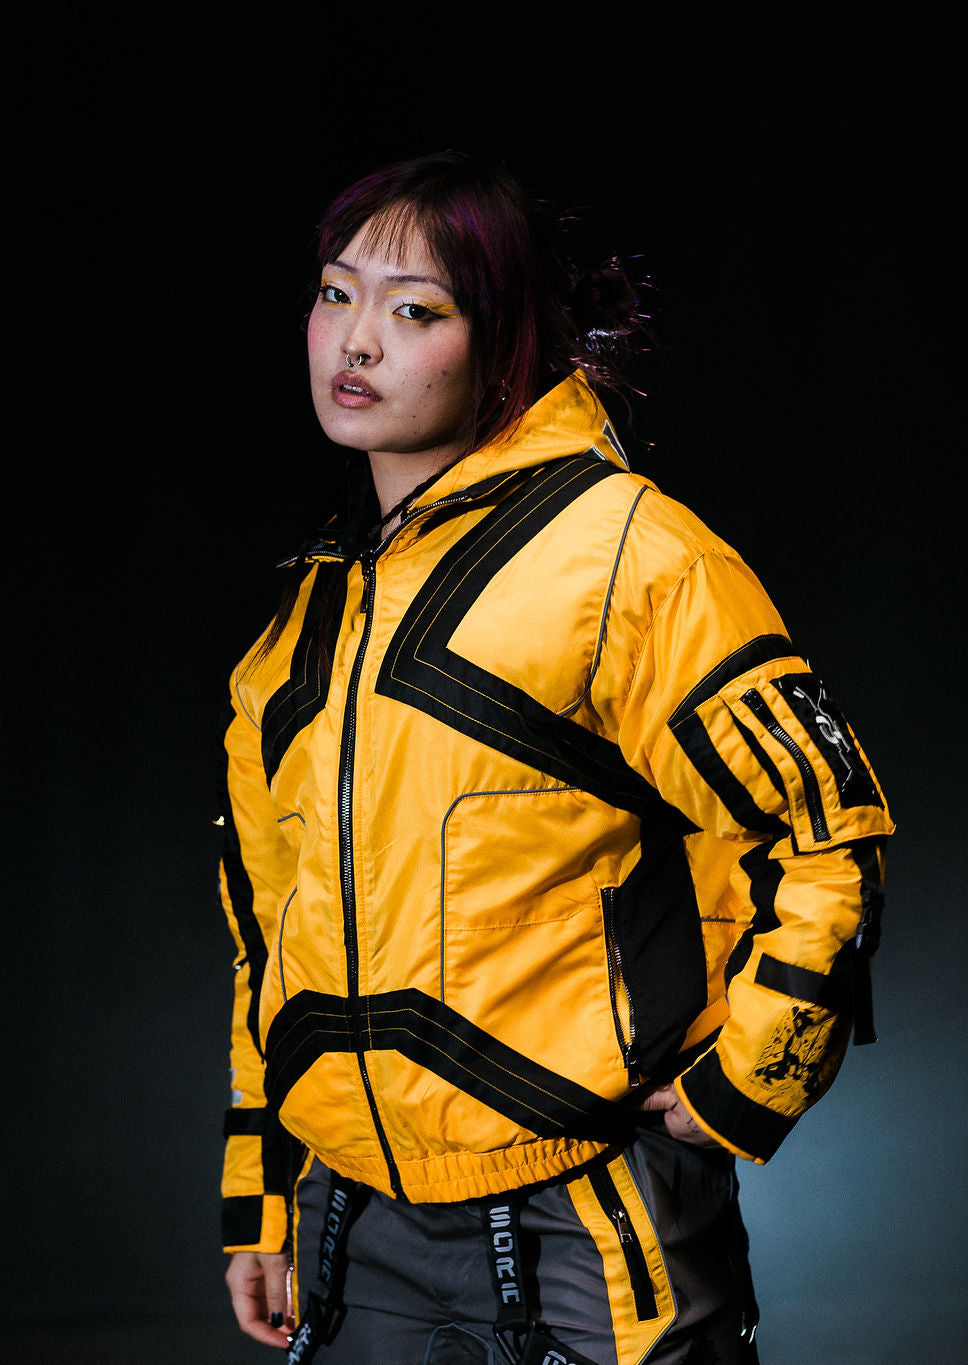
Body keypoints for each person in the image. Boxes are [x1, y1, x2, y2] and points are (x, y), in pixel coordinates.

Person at [215, 151, 893, 1364]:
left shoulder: (628, 555)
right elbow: (268, 935)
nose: (355, 340)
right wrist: (259, 1201)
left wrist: (748, 1083)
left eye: (415, 310)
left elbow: (826, 830)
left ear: (505, 339)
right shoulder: (300, 627)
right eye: (334, 293)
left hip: (591, 1213)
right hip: (351, 1220)